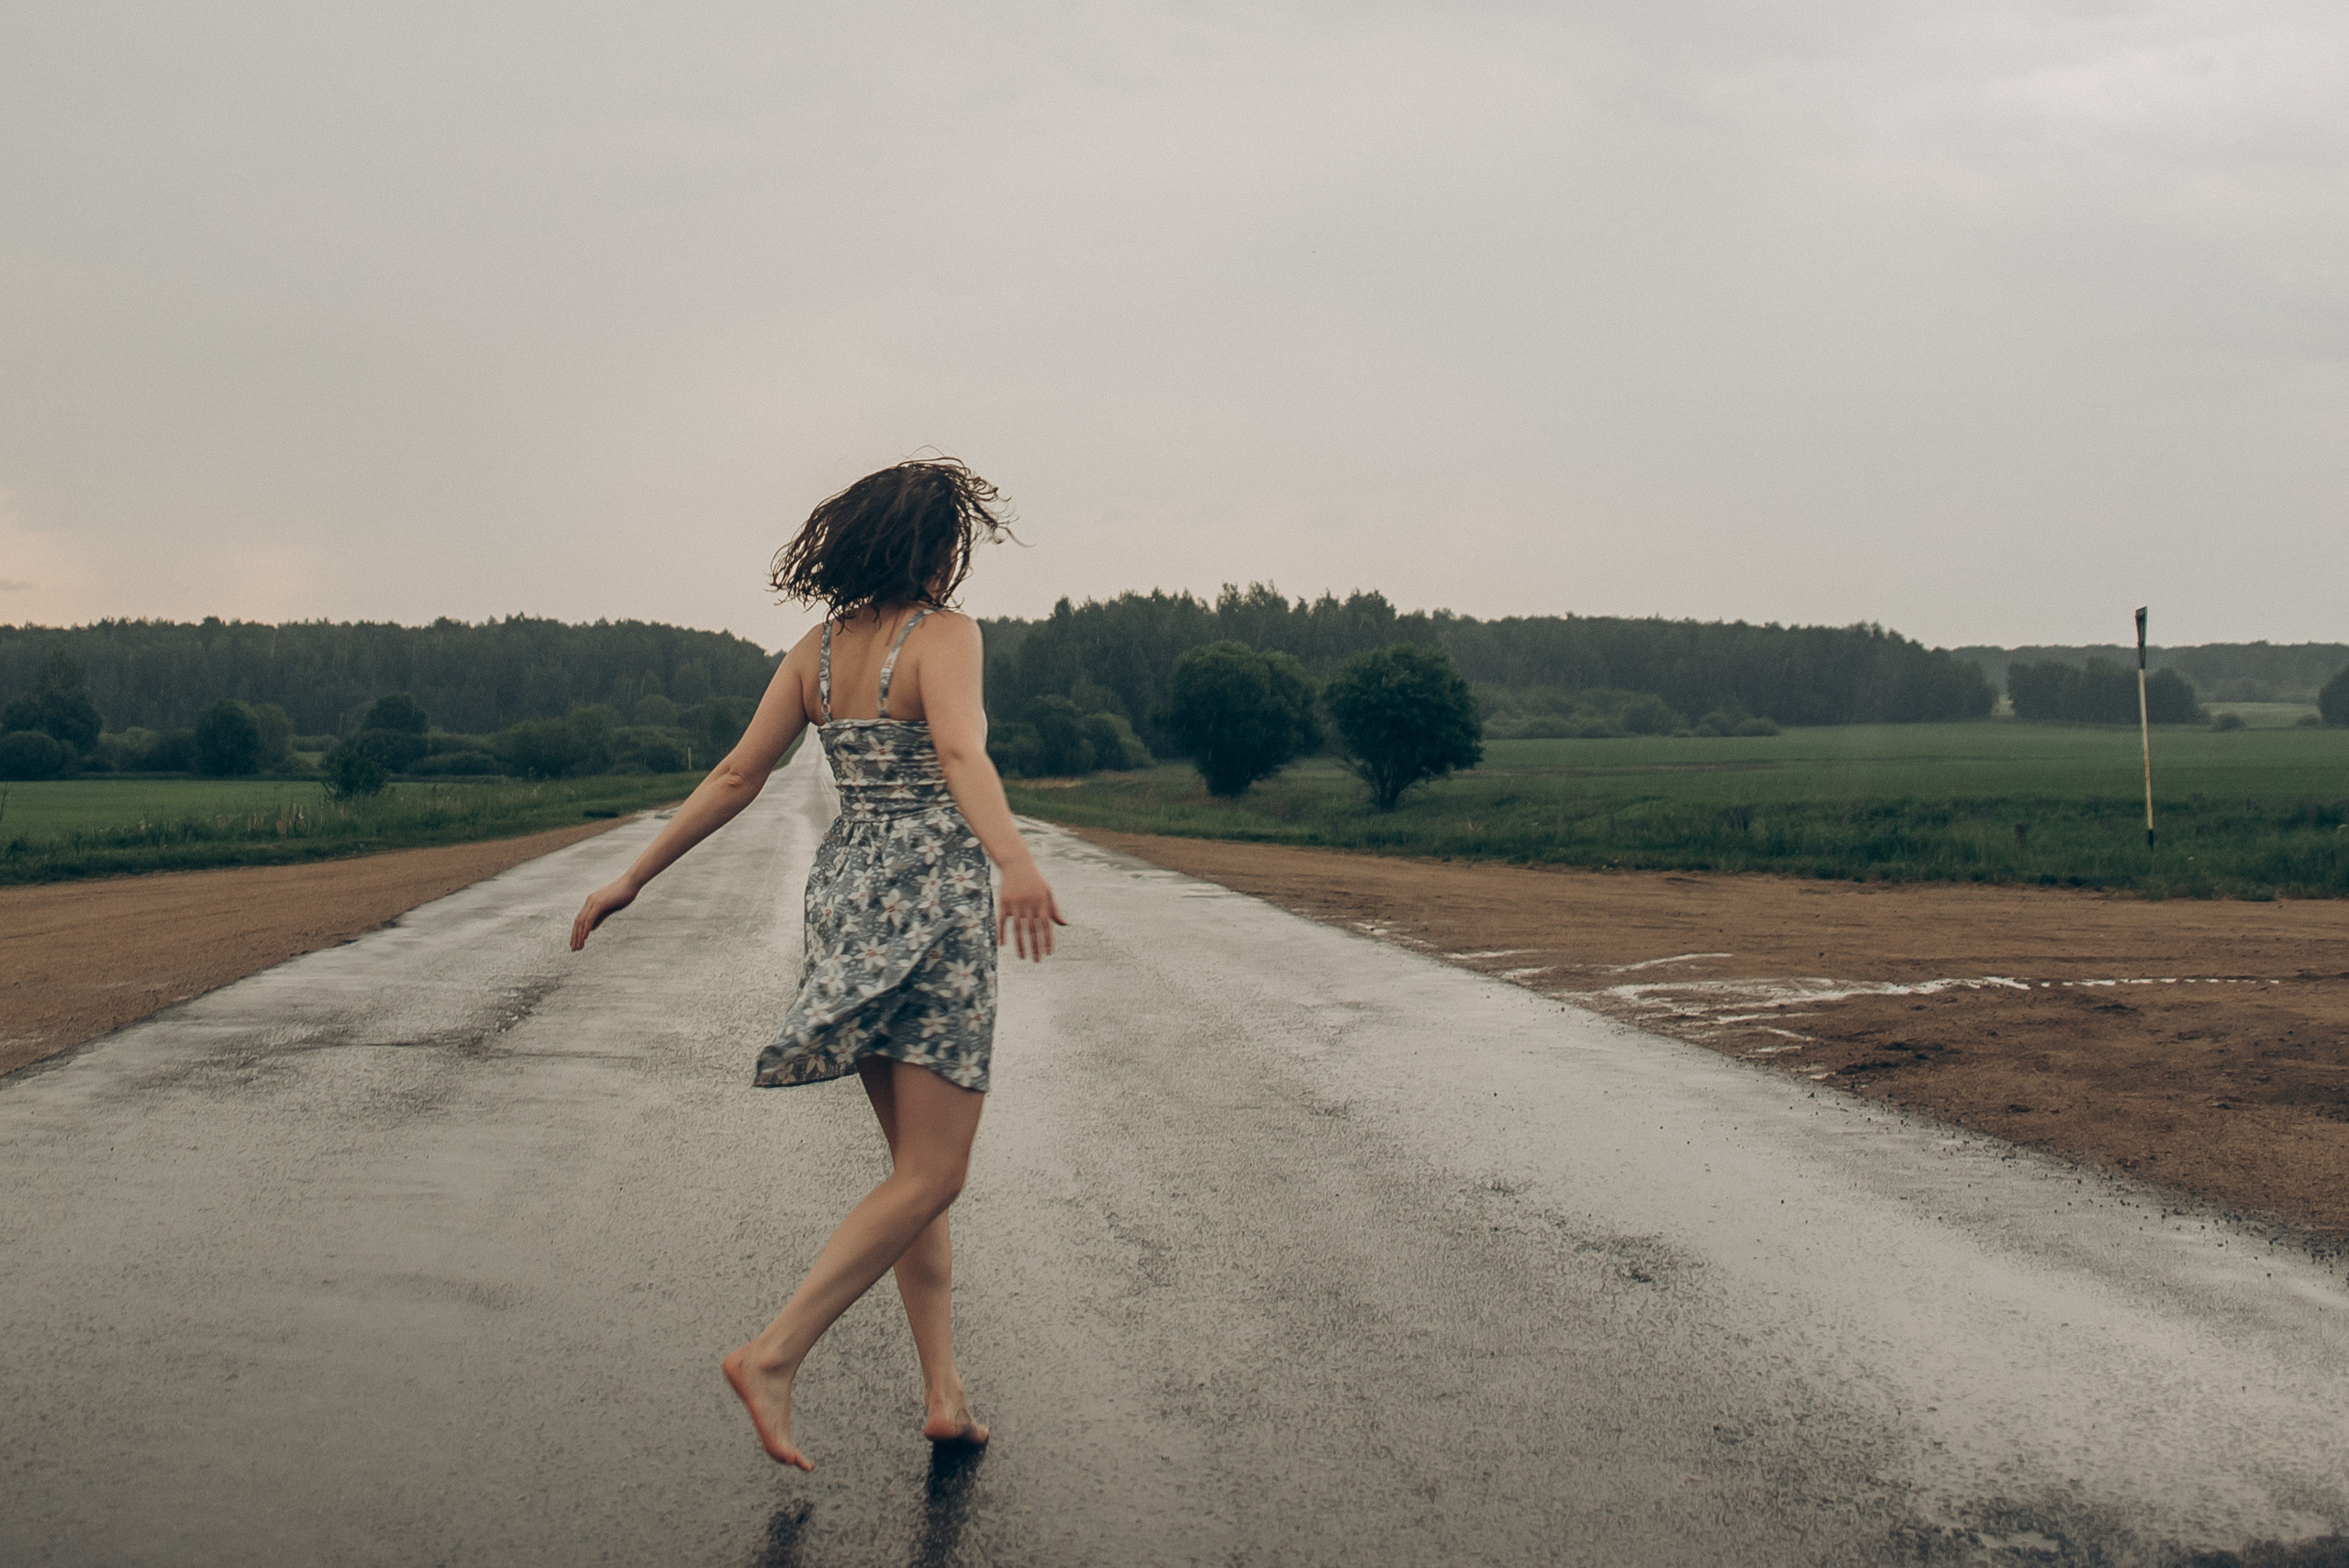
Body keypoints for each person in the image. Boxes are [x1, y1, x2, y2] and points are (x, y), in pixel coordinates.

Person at [568, 457, 1063, 1471]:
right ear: (933, 547)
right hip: (930, 901)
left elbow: (738, 772)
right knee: (935, 1170)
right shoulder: (947, 636)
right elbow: (963, 754)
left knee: (914, 1176)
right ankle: (775, 1352)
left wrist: (632, 875)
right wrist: (1013, 857)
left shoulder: (816, 649)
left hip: (845, 896)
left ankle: (944, 1392)